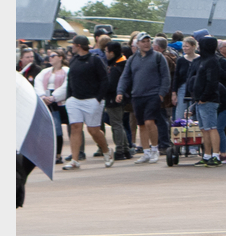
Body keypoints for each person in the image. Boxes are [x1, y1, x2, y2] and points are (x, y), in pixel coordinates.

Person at [115, 34, 175, 168]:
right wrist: (120, 91)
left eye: (148, 41)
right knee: (141, 124)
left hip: (153, 95)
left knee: (149, 121)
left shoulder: (158, 57)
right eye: (143, 41)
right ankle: (146, 152)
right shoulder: (132, 59)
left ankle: (155, 149)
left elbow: (165, 77)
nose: (146, 44)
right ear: (137, 44)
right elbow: (125, 76)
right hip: (137, 95)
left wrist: (161, 94)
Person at [181, 35, 226, 165]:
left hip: (208, 100)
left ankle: (216, 155)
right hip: (200, 100)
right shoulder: (201, 60)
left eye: (201, 44)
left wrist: (204, 97)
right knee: (204, 129)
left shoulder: (212, 61)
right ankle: (206, 155)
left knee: (212, 128)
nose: (199, 47)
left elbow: (211, 81)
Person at [60, 37, 113, 170]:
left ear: (79, 45)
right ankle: (75, 160)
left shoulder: (95, 60)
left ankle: (107, 151)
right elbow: (70, 80)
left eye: (73, 44)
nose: (71, 47)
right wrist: (69, 98)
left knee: (93, 130)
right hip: (75, 100)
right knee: (75, 127)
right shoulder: (74, 60)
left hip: (92, 99)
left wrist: (98, 99)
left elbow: (104, 80)